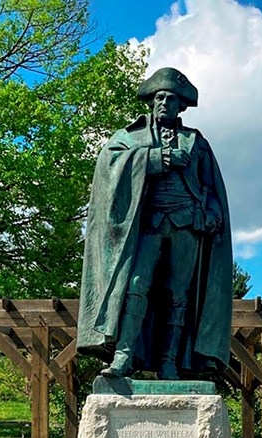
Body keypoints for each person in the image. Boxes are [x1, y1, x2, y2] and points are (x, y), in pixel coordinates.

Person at [77, 67, 232, 379]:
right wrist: (154, 159)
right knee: (136, 286)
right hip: (147, 224)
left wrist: (213, 212)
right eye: (160, 97)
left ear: (181, 106)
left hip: (187, 226)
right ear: (151, 102)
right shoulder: (129, 138)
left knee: (179, 294)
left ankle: (169, 362)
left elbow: (211, 187)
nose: (164, 103)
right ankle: (123, 355)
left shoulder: (196, 142)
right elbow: (111, 167)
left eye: (171, 99)